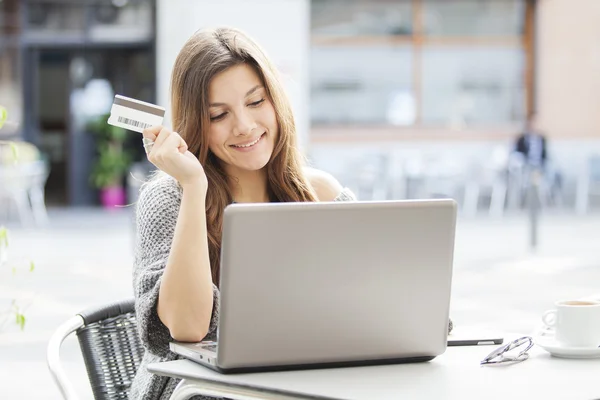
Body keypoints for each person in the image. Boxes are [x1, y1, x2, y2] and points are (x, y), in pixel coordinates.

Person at [129, 27, 356, 400]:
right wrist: (194, 186)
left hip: (299, 382)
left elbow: (371, 296)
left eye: (256, 102)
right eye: (219, 115)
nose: (245, 126)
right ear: (196, 122)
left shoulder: (321, 192)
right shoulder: (170, 198)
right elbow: (187, 327)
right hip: (197, 392)